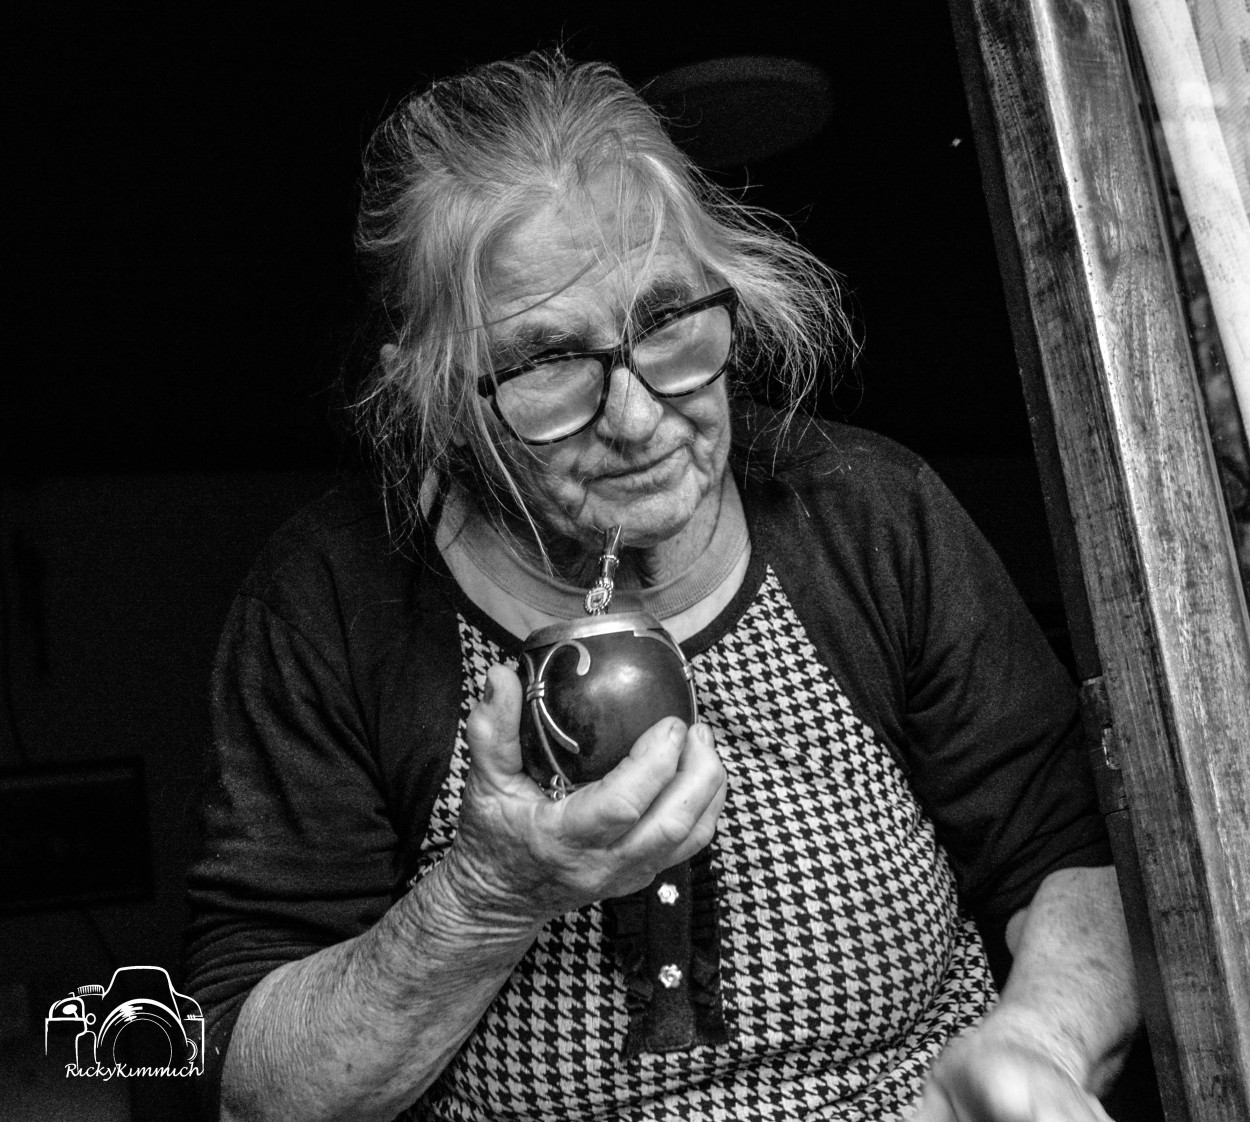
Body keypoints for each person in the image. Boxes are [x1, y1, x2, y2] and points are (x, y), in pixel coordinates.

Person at [184, 51, 1140, 1122]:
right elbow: (248, 1077)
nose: (638, 419)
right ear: (438, 390)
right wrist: (489, 893)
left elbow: (1075, 855)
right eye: (548, 365)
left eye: (669, 323)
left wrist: (1038, 1044)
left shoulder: (870, 513)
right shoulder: (328, 600)